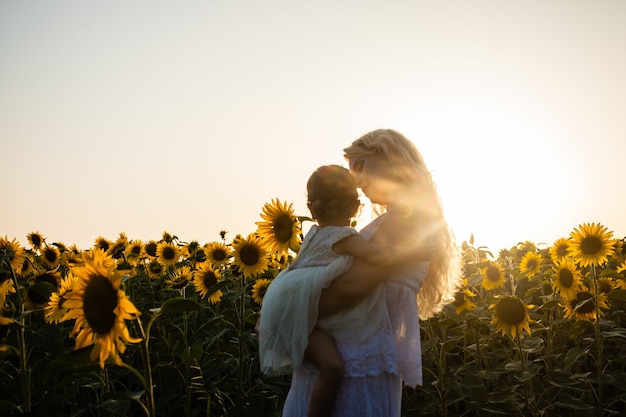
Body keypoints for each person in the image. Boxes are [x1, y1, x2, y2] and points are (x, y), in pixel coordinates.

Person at [281, 129, 462, 417]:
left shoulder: (404, 219)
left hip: (354, 369)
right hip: (351, 364)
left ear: (390, 156)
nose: (357, 179)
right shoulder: (402, 217)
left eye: (361, 165)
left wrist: (286, 312)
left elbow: (352, 288)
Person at [258, 164, 432, 417]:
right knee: (332, 369)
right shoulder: (344, 237)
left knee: (328, 367)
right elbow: (376, 256)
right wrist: (413, 253)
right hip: (301, 310)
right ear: (355, 206)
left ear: (311, 207)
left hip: (291, 307)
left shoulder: (313, 235)